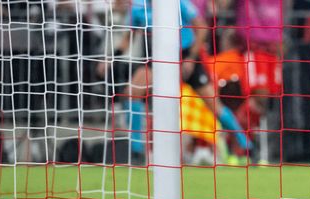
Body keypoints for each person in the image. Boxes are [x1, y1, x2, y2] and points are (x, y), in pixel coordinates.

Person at [100, 0, 251, 161]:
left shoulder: (178, 3)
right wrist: (110, 59)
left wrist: (191, 58)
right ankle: (137, 151)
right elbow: (128, 38)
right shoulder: (138, 7)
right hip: (160, 57)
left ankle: (246, 145)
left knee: (214, 104)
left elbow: (201, 29)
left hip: (186, 55)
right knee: (132, 92)